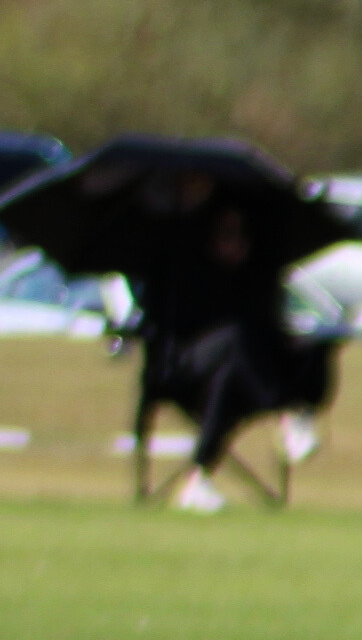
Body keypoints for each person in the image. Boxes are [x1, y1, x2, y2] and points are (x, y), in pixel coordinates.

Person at [128, 197, 337, 517]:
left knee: (230, 378)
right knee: (234, 339)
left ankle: (197, 480)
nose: (234, 244)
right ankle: (286, 414)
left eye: (240, 236)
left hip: (236, 375)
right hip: (182, 367)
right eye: (226, 235)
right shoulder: (181, 272)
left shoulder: (256, 278)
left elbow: (270, 334)